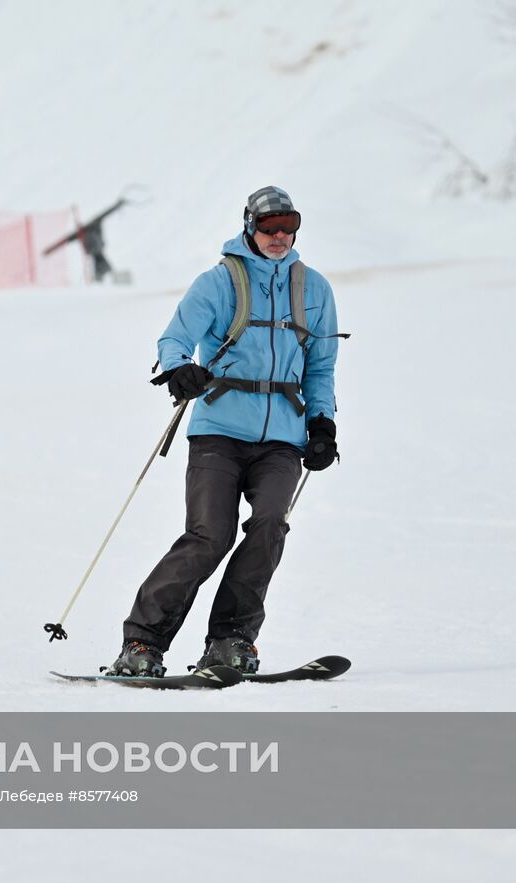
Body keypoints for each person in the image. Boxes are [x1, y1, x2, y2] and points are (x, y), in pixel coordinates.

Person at [109, 185, 341, 677]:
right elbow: (175, 338)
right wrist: (178, 370)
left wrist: (322, 423)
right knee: (209, 536)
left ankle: (232, 640)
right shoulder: (219, 282)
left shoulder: (314, 289)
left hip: (283, 435)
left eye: (288, 226)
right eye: (268, 227)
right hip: (218, 429)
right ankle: (142, 644)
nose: (279, 236)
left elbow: (321, 367)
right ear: (248, 227)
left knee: (269, 526)